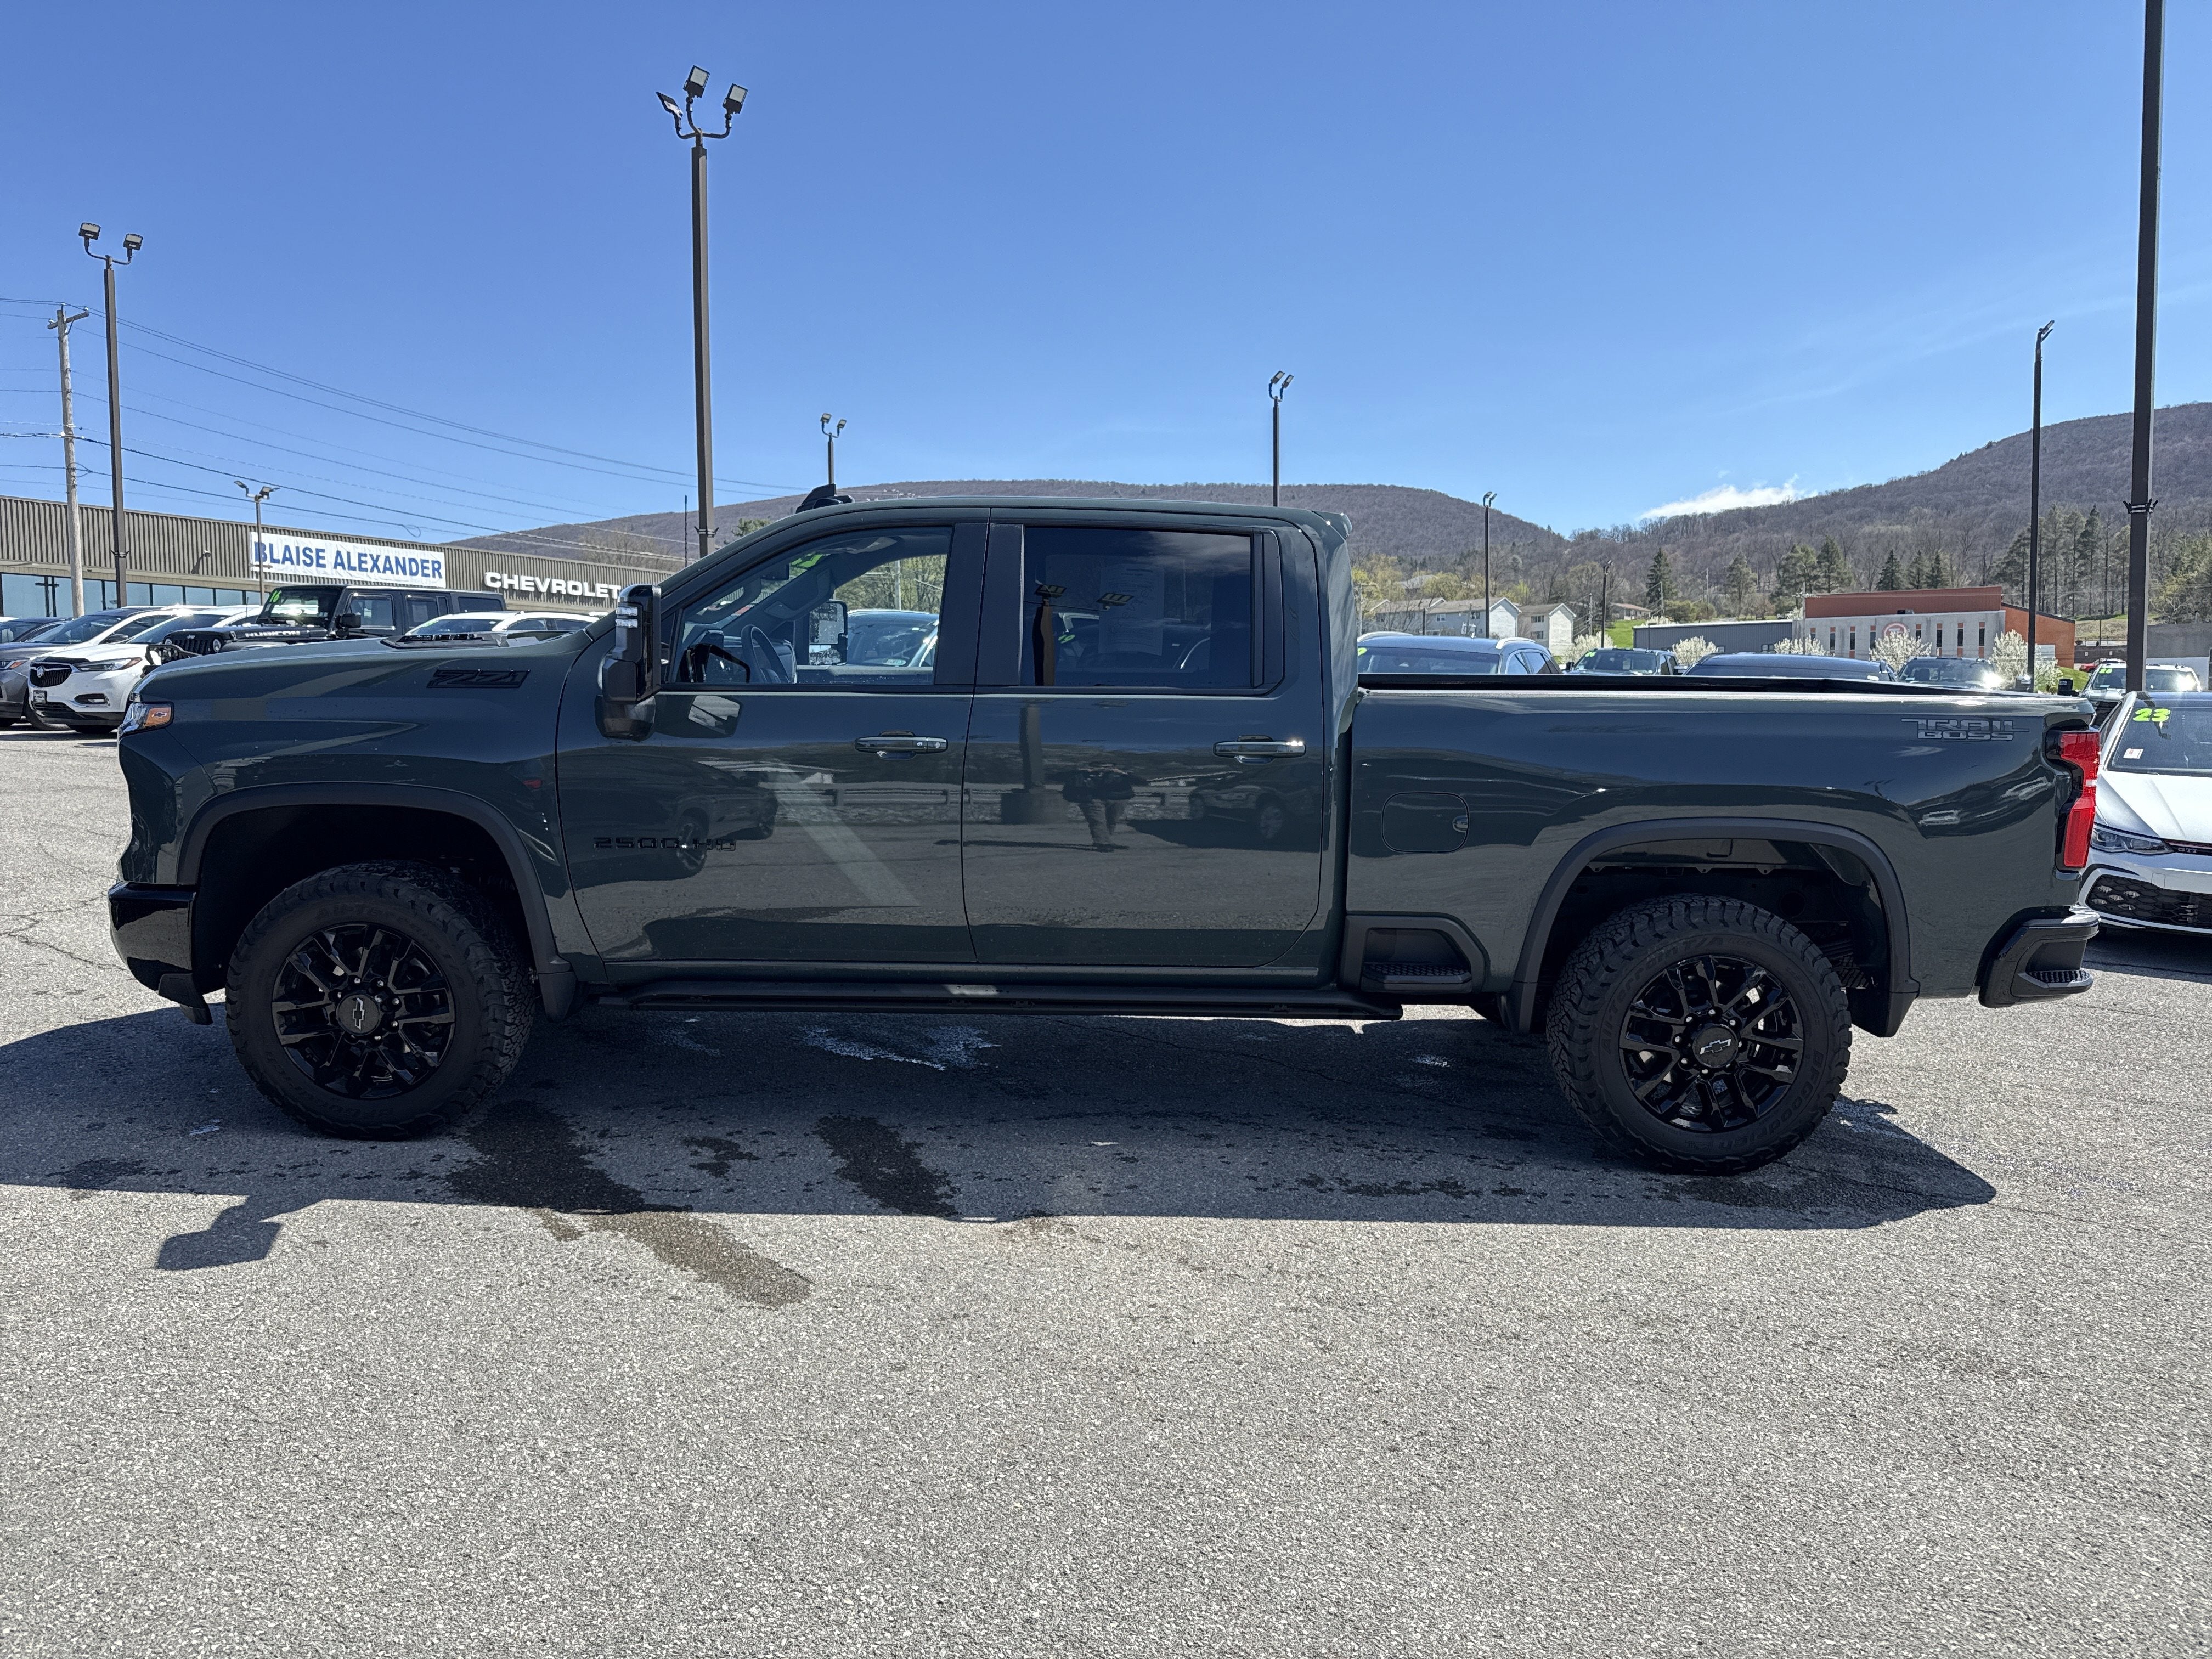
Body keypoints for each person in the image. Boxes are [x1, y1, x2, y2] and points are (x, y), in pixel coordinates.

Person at [1063, 759, 1137, 850]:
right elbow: (1058, 777)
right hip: (1092, 799)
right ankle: (1102, 843)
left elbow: (1141, 781)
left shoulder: (1120, 775)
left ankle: (1107, 840)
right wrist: (1079, 771)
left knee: (1112, 821)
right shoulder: (1083, 774)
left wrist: (1123, 774)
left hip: (1118, 799)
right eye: (1100, 766)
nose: (1104, 769)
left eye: (1108, 767)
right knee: (1098, 821)